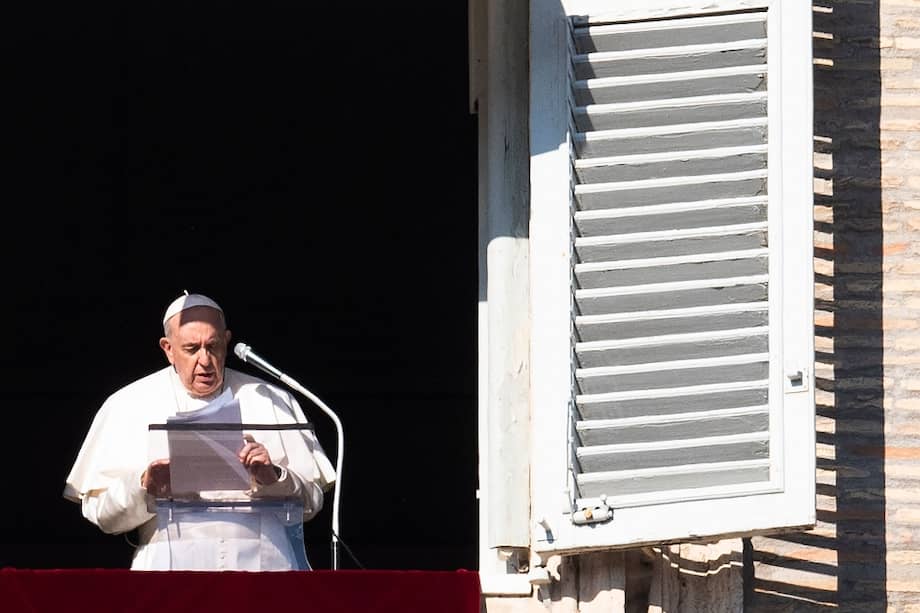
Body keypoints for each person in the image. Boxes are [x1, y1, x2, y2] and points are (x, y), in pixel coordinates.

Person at [63, 292, 336, 571]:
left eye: (213, 346)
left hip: (264, 571)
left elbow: (312, 504)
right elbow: (103, 517)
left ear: (227, 341)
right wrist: (143, 485)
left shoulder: (271, 399)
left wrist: (275, 478)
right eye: (192, 349)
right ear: (168, 348)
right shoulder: (127, 403)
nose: (205, 360)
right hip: (169, 575)